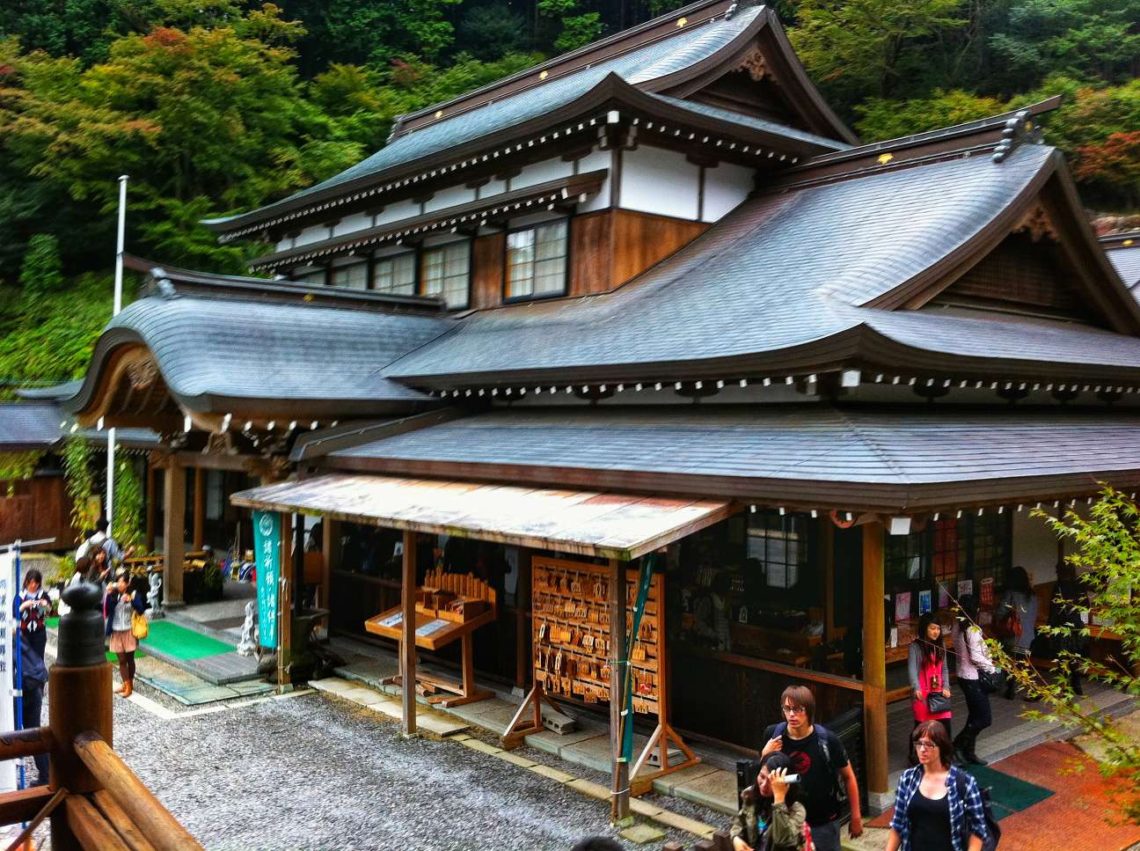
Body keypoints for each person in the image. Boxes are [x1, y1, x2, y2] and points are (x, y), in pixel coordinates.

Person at [760, 685, 863, 850]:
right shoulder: (773, 735)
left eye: (798, 709)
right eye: (787, 709)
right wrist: (764, 754)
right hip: (785, 820)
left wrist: (856, 815)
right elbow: (763, 776)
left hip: (822, 822)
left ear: (809, 709)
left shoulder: (827, 740)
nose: (792, 714)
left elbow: (848, 776)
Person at [886, 720, 989, 851]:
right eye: (918, 744)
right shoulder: (908, 778)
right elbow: (898, 824)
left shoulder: (965, 782)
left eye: (929, 745)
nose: (922, 749)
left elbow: (978, 829)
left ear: (942, 747)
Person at [951, 594, 997, 765]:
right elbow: (977, 658)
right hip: (973, 677)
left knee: (974, 715)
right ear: (975, 610)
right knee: (984, 718)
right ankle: (957, 745)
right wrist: (992, 668)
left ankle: (969, 752)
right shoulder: (972, 630)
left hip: (963, 675)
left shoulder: (957, 627)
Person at [731, 752, 808, 851]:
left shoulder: (796, 810)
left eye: (771, 782)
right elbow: (739, 822)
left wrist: (779, 798)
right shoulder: (751, 794)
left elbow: (782, 840)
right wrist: (736, 838)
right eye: (762, 777)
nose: (763, 785)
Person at [908, 611, 952, 756]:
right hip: (922, 692)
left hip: (938, 692)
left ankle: (945, 756)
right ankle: (914, 756)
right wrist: (916, 688)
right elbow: (912, 670)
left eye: (938, 628)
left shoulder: (941, 645)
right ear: (924, 628)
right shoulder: (915, 647)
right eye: (932, 628)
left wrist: (946, 687)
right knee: (921, 727)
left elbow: (945, 668)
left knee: (945, 724)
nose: (936, 632)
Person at [996, 565, 1037, 700]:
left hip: (1014, 636)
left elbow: (1000, 613)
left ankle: (1010, 685)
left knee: (1007, 657)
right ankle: (1028, 689)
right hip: (1029, 636)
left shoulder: (1010, 594)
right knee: (1023, 662)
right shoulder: (1032, 595)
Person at [104, 571, 146, 698]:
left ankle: (130, 684)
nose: (120, 584)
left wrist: (131, 600)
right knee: (121, 660)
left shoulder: (133, 594)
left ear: (127, 584)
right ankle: (126, 684)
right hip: (116, 631)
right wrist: (110, 595)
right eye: (119, 581)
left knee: (130, 659)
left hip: (129, 630)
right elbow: (107, 609)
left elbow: (141, 609)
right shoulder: (113, 594)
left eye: (123, 582)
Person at [1050, 563, 1088, 696]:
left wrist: (1050, 627)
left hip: (1062, 626)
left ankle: (1064, 687)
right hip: (1077, 625)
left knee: (1062, 658)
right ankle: (1077, 683)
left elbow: (1054, 609)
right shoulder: (1080, 585)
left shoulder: (1058, 587)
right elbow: (1086, 605)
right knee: (1075, 655)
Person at [16, 631, 49, 786]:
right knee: (34, 733)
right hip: (33, 684)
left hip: (19, 690)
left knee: (12, 735)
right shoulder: (12, 630)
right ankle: (47, 775)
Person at [14, 568, 51, 661]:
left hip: (39, 632)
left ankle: (39, 675)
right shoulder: (20, 595)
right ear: (26, 582)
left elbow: (51, 612)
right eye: (31, 582)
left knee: (39, 657)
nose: (33, 585)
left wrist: (46, 606)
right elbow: (14, 613)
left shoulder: (43, 595)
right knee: (25, 659)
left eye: (36, 583)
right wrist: (23, 606)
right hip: (23, 632)